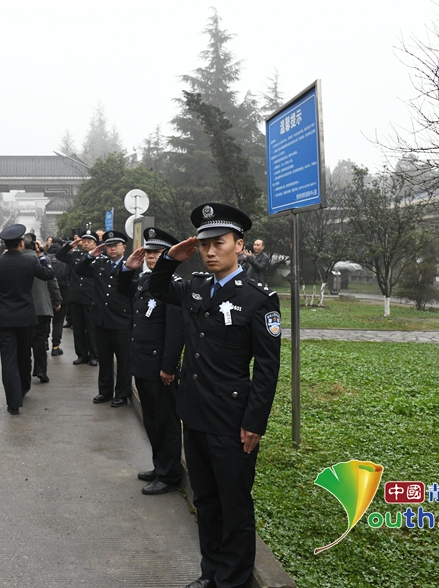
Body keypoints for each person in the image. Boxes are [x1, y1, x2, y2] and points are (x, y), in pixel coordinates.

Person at [149, 202, 281, 588]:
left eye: (218, 243)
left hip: (232, 420)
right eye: (204, 244)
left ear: (239, 246)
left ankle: (233, 581)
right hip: (196, 413)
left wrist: (255, 421)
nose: (209, 251)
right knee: (205, 502)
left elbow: (267, 370)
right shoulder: (195, 287)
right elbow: (153, 287)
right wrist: (172, 258)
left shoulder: (258, 299)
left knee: (234, 506)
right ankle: (211, 574)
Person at [118, 227, 185, 495]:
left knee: (166, 421)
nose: (152, 257)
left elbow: (175, 331)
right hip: (143, 363)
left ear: (169, 256)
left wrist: (168, 367)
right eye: (149, 252)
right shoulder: (146, 281)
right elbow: (123, 289)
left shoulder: (174, 287)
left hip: (160, 367)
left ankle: (169, 475)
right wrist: (128, 267)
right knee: (152, 420)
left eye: (158, 253)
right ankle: (160, 466)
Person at [0, 224, 57, 415]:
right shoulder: (30, 263)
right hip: (27, 318)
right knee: (24, 356)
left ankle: (13, 402)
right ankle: (23, 388)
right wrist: (41, 256)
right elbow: (49, 274)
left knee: (8, 359)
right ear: (21, 243)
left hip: (6, 319)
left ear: (4, 244)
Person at [75, 230, 133, 407]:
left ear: (124, 247)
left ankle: (122, 394)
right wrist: (90, 255)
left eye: (115, 245)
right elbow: (79, 269)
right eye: (109, 245)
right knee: (105, 359)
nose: (112, 248)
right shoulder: (100, 264)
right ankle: (105, 391)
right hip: (102, 320)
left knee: (123, 361)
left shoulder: (132, 265)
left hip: (122, 320)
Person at [55, 230, 99, 367]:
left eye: (89, 241)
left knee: (91, 329)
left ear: (95, 244)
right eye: (84, 241)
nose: (86, 244)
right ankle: (81, 354)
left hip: (91, 297)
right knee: (78, 328)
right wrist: (69, 245)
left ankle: (94, 355)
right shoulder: (75, 255)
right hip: (75, 296)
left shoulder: (99, 257)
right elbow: (59, 255)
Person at [25, 240, 61, 383]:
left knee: (24, 342)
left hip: (22, 309)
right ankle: (41, 370)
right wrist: (57, 299)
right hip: (41, 308)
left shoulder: (13, 260)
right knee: (40, 340)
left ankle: (24, 372)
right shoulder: (42, 260)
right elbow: (52, 281)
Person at [48, 241, 70, 356]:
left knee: (46, 321)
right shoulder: (65, 261)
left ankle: (44, 342)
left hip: (47, 294)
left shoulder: (44, 260)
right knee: (58, 321)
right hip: (63, 294)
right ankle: (55, 347)